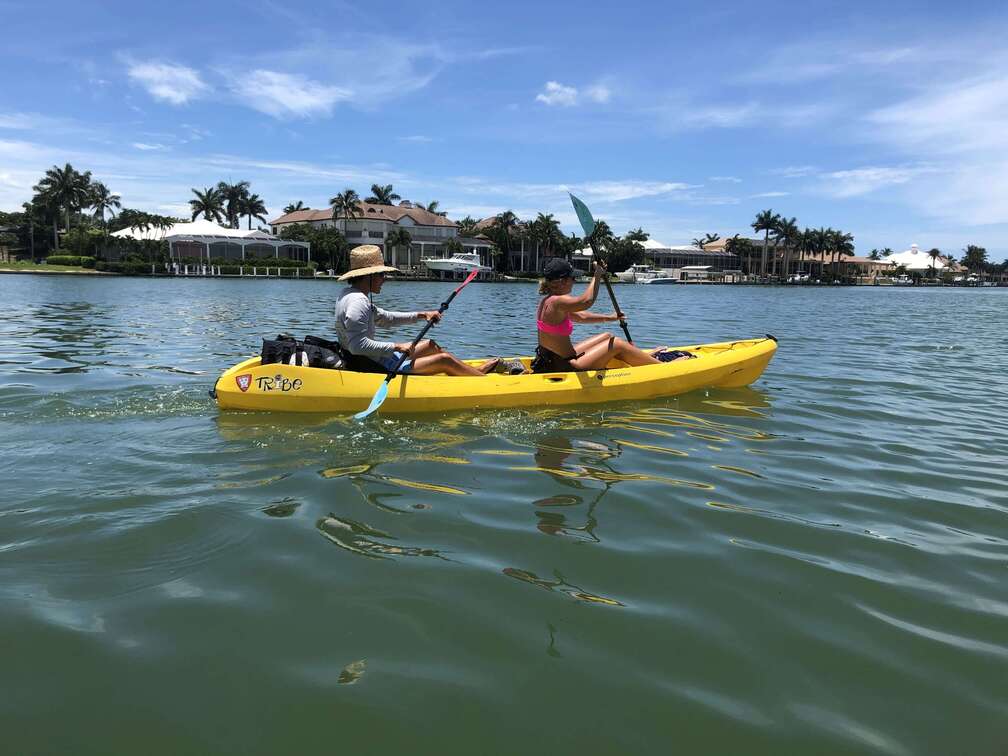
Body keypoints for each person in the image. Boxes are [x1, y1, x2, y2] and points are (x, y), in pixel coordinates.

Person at [335, 245, 499, 376]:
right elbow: (357, 346)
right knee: (444, 359)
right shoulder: (358, 301)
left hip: (381, 358)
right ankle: (483, 381)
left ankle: (474, 372)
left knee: (430, 345)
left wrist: (423, 314)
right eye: (382, 275)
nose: (384, 279)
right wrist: (396, 346)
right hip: (378, 366)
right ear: (369, 276)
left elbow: (386, 318)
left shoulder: (350, 295)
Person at [532, 257, 664, 373]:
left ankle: (640, 356)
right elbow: (586, 301)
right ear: (562, 281)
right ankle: (662, 368)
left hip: (550, 361)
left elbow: (581, 317)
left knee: (608, 336)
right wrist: (597, 274)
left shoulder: (547, 301)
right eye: (573, 278)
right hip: (566, 367)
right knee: (616, 344)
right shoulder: (558, 301)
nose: (574, 281)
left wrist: (610, 317)